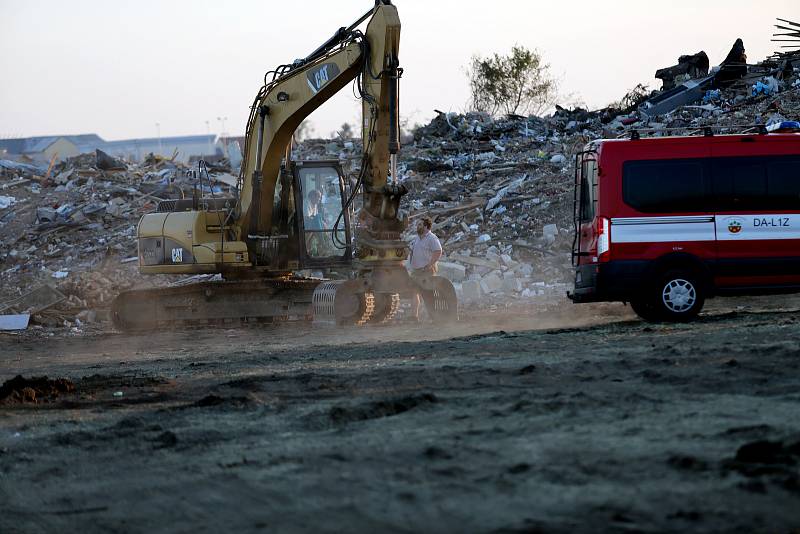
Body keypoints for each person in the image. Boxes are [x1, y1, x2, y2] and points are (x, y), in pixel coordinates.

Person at [408, 216, 442, 320]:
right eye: (417, 225)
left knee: (428, 294)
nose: (417, 227)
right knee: (414, 292)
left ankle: (434, 317)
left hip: (426, 271)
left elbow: (438, 251)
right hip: (416, 271)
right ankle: (414, 316)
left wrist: (430, 264)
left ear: (426, 227)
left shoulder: (432, 238)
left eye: (419, 225)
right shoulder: (417, 238)